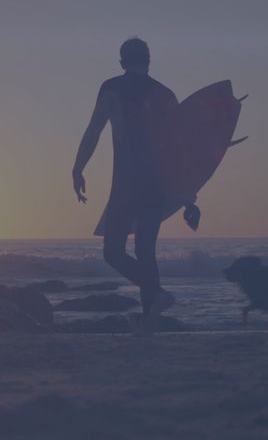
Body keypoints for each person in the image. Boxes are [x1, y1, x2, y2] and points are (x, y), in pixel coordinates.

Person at [72, 37, 177, 335]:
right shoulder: (165, 94)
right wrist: (187, 195)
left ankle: (155, 296)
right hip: (158, 183)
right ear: (149, 59)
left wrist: (78, 167)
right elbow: (181, 149)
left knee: (114, 252)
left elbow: (94, 130)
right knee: (146, 250)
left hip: (128, 182)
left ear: (121, 62)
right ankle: (150, 321)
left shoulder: (112, 88)